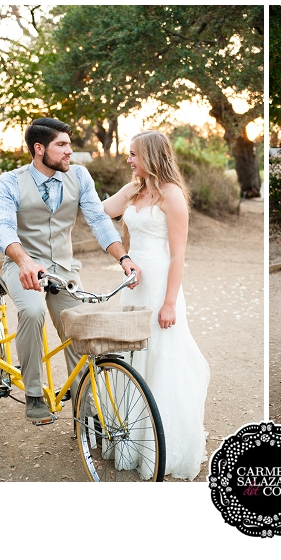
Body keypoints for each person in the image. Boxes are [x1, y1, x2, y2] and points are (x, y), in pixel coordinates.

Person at [0, 117, 141, 424]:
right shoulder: (8, 182)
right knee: (32, 312)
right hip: (23, 267)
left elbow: (99, 220)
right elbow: (4, 228)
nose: (69, 151)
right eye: (61, 145)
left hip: (64, 269)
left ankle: (84, 406)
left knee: (79, 326)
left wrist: (123, 258)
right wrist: (24, 261)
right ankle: (33, 393)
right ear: (39, 148)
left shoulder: (80, 176)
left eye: (69, 144)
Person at [102, 130, 210, 480]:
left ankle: (163, 442)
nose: (129, 159)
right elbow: (105, 211)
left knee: (162, 356)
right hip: (133, 284)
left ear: (150, 155)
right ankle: (131, 437)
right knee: (131, 353)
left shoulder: (172, 195)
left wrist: (169, 304)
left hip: (160, 283)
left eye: (134, 154)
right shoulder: (137, 189)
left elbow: (178, 254)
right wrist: (130, 186)